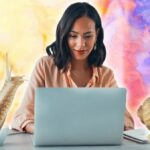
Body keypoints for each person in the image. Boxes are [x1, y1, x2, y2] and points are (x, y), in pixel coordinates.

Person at [12, 2, 134, 133]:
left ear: (97, 34)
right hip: (53, 143)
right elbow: (21, 117)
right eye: (73, 36)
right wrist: (42, 131)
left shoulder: (106, 75)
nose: (81, 44)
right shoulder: (44, 66)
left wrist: (98, 128)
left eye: (88, 36)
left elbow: (126, 121)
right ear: (64, 35)